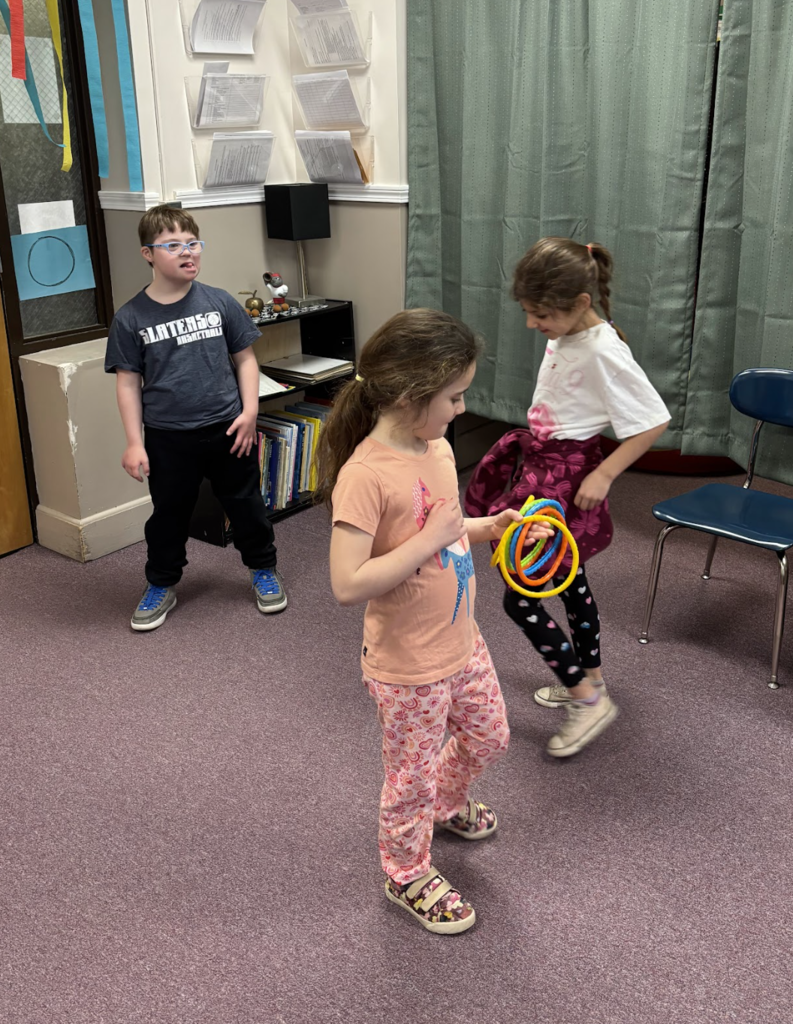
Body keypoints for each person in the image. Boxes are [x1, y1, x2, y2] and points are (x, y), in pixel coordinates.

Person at [316, 309, 552, 935]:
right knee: (410, 779)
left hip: (461, 641)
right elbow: (346, 582)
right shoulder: (366, 475)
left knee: (491, 737)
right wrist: (430, 541)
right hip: (408, 666)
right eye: (453, 395)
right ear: (408, 395)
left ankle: (447, 804)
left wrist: (485, 527)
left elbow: (441, 531)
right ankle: (405, 872)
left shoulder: (438, 448)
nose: (462, 407)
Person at [465, 238, 671, 758]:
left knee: (521, 596)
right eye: (529, 312)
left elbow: (653, 422)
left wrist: (605, 474)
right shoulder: (570, 332)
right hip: (543, 471)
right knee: (571, 584)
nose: (531, 324)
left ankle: (587, 700)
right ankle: (590, 681)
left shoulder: (603, 350)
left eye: (541, 314)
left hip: (565, 479)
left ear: (580, 303)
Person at [104, 205, 287, 631]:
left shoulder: (219, 301)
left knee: (246, 505)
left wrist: (250, 413)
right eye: (173, 245)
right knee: (168, 515)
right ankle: (161, 583)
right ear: (148, 254)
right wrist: (134, 442)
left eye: (193, 243)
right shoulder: (130, 318)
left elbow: (246, 360)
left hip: (229, 429)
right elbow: (128, 384)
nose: (187, 252)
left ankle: (263, 568)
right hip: (168, 438)